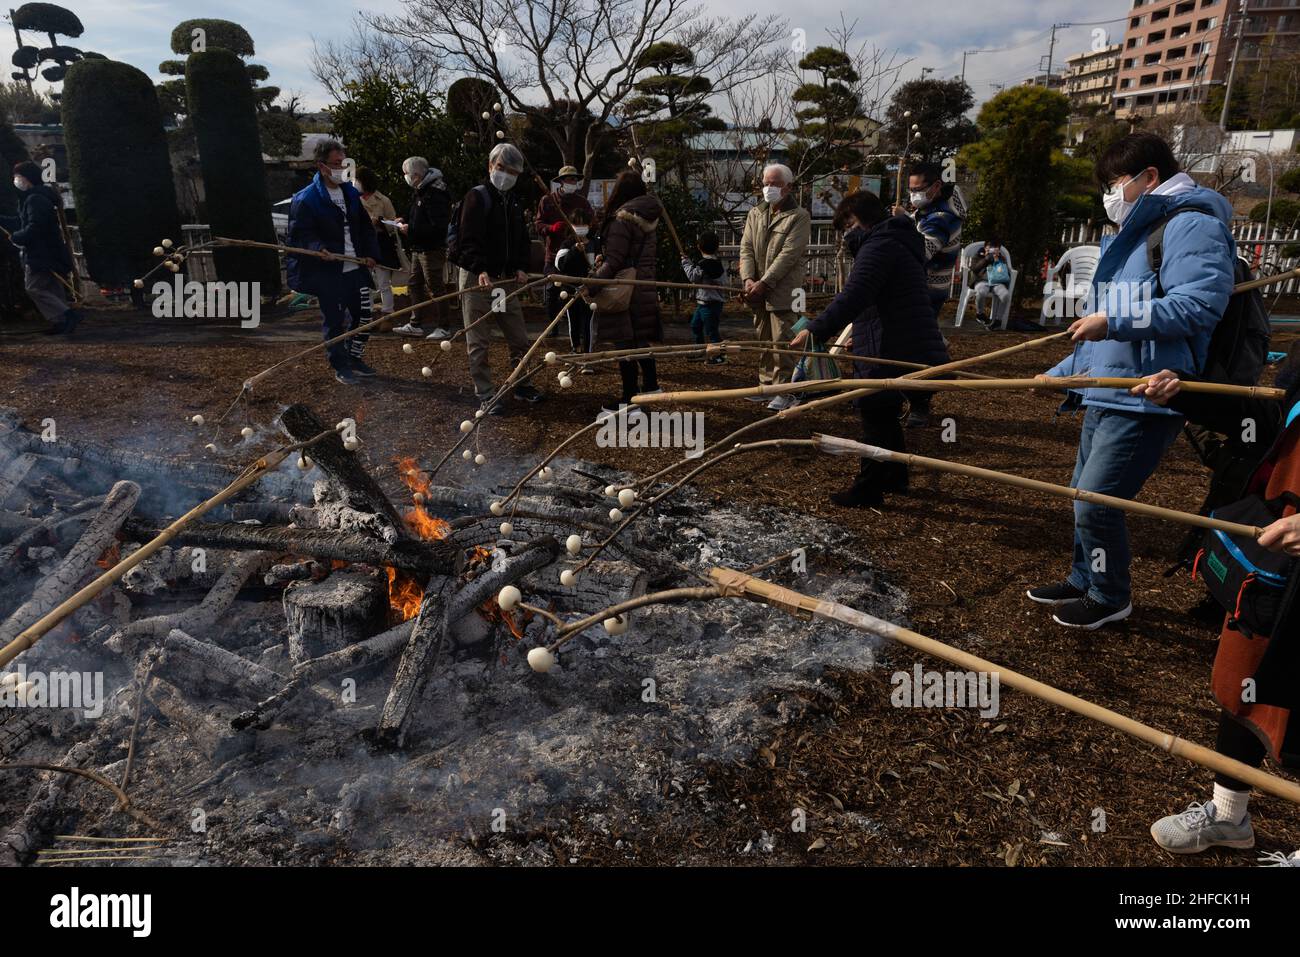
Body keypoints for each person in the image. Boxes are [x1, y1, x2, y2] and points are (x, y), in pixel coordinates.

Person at [1026, 132, 1236, 630]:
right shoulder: (1138, 234)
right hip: (1109, 388)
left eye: (1114, 183)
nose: (1109, 195)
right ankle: (1083, 577)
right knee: (1082, 494)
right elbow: (1102, 338)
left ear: (1149, 178)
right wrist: (1059, 375)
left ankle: (1109, 594)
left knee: (1098, 500)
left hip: (1147, 395)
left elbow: (1199, 304)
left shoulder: (1190, 226)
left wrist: (1114, 321)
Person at [1134, 356, 1300, 865]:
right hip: (1277, 557)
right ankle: (1229, 815)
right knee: (1242, 681)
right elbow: (1267, 422)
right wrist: (1184, 395)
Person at [791, 189, 949, 508]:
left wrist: (815, 330)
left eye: (847, 225)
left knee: (874, 412)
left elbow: (855, 295)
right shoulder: (898, 240)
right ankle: (895, 476)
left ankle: (868, 488)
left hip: (891, 344)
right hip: (900, 338)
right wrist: (858, 335)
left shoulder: (880, 246)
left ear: (858, 220)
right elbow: (883, 298)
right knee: (885, 411)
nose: (845, 235)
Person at [454, 143, 542, 411]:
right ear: (491, 166)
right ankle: (485, 393)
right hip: (478, 279)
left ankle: (522, 383)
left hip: (504, 282)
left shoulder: (513, 202)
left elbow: (521, 240)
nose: (505, 175)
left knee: (519, 337)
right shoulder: (477, 197)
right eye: (501, 168)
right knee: (478, 341)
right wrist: (479, 268)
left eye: (512, 171)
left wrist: (520, 266)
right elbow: (467, 238)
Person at [286, 140, 380, 386]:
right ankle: (340, 365)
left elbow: (364, 228)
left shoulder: (350, 193)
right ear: (322, 166)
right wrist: (319, 249)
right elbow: (300, 234)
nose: (341, 168)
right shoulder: (306, 199)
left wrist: (371, 254)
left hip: (355, 266)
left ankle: (354, 356)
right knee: (335, 321)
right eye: (336, 164)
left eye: (344, 163)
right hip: (329, 272)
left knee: (364, 315)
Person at [588, 170, 663, 419]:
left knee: (625, 344)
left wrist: (593, 283)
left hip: (625, 288)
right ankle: (651, 387)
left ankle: (629, 399)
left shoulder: (622, 220)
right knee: (639, 340)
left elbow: (616, 260)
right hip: (644, 285)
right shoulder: (648, 217)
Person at [896, 162, 966, 427]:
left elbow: (923, 249)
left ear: (936, 186)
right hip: (918, 289)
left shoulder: (941, 217)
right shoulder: (927, 210)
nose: (914, 194)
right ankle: (906, 396)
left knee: (916, 349)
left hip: (928, 290)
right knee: (908, 344)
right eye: (911, 189)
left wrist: (903, 223)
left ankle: (919, 402)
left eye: (919, 189)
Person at [739, 163, 810, 410]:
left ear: (788, 187)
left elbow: (789, 254)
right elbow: (746, 247)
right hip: (756, 290)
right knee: (764, 341)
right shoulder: (756, 213)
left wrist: (765, 281)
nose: (769, 188)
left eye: (775, 184)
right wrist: (748, 278)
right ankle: (766, 385)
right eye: (766, 183)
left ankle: (785, 390)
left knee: (783, 341)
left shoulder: (799, 216)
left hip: (784, 290)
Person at [1, 161, 79, 335]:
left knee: (34, 288)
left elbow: (36, 227)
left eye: (17, 176)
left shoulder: (35, 199)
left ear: (27, 178)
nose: (15, 180)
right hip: (47, 251)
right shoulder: (34, 197)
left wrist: (17, 237)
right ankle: (61, 322)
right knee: (51, 287)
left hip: (41, 252)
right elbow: (21, 222)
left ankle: (67, 314)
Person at [394, 156, 452, 340]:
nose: (405, 177)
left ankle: (444, 326)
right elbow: (417, 214)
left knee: (435, 286)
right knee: (414, 284)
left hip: (431, 249)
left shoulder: (435, 193)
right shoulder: (421, 191)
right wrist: (404, 220)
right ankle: (415, 323)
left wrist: (411, 229)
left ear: (416, 175)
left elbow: (438, 225)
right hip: (418, 247)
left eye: (406, 174)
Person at [536, 165, 595, 330]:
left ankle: (580, 329)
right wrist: (551, 228)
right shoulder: (547, 200)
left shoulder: (582, 202)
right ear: (561, 181)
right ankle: (552, 328)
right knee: (551, 291)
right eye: (570, 179)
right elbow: (538, 225)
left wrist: (585, 233)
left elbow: (592, 223)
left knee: (577, 293)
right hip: (554, 254)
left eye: (575, 179)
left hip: (577, 255)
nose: (573, 182)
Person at [354, 167, 401, 316]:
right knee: (364, 282)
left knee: (384, 283)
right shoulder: (354, 200)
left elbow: (393, 224)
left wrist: (380, 222)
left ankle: (387, 314)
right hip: (361, 244)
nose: (355, 183)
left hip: (381, 244)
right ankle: (366, 314)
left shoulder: (383, 200)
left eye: (358, 180)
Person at [681, 231, 726, 364]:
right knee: (696, 325)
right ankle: (700, 352)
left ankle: (719, 356)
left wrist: (685, 262)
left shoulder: (704, 264)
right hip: (704, 303)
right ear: (717, 247)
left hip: (710, 304)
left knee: (711, 331)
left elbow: (693, 277)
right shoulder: (718, 263)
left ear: (699, 247)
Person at [970, 238, 1010, 327]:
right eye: (990, 246)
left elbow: (1004, 272)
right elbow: (974, 269)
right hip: (982, 281)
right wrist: (986, 259)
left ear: (998, 249)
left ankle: (998, 320)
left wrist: (997, 260)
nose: (992, 249)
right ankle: (980, 314)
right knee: (981, 292)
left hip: (997, 283)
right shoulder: (978, 256)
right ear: (985, 247)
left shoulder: (1001, 258)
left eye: (995, 247)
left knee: (1005, 295)